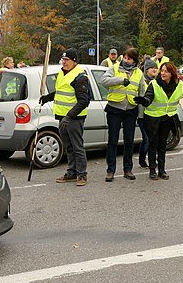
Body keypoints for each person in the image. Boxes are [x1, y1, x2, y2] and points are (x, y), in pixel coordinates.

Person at [38, 48, 90, 186]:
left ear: (74, 61)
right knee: (69, 147)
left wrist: (70, 116)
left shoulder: (80, 77)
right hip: (62, 116)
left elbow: (84, 101)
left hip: (74, 118)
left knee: (77, 146)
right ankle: (72, 172)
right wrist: (47, 98)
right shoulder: (63, 73)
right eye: (63, 59)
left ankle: (82, 175)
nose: (64, 62)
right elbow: (61, 91)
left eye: (67, 60)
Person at [100, 48, 146, 182]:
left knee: (129, 141)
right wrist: (120, 80)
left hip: (130, 110)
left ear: (134, 60)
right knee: (112, 141)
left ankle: (128, 169)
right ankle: (110, 170)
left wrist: (141, 114)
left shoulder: (139, 73)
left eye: (129, 58)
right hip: (115, 108)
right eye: (125, 57)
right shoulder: (114, 68)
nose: (126, 60)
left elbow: (141, 93)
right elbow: (103, 81)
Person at [138, 58, 159, 168]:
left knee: (153, 139)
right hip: (143, 115)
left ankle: (151, 160)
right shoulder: (142, 81)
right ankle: (142, 159)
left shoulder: (157, 82)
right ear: (146, 70)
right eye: (152, 68)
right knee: (147, 139)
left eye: (156, 68)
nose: (155, 70)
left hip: (154, 115)